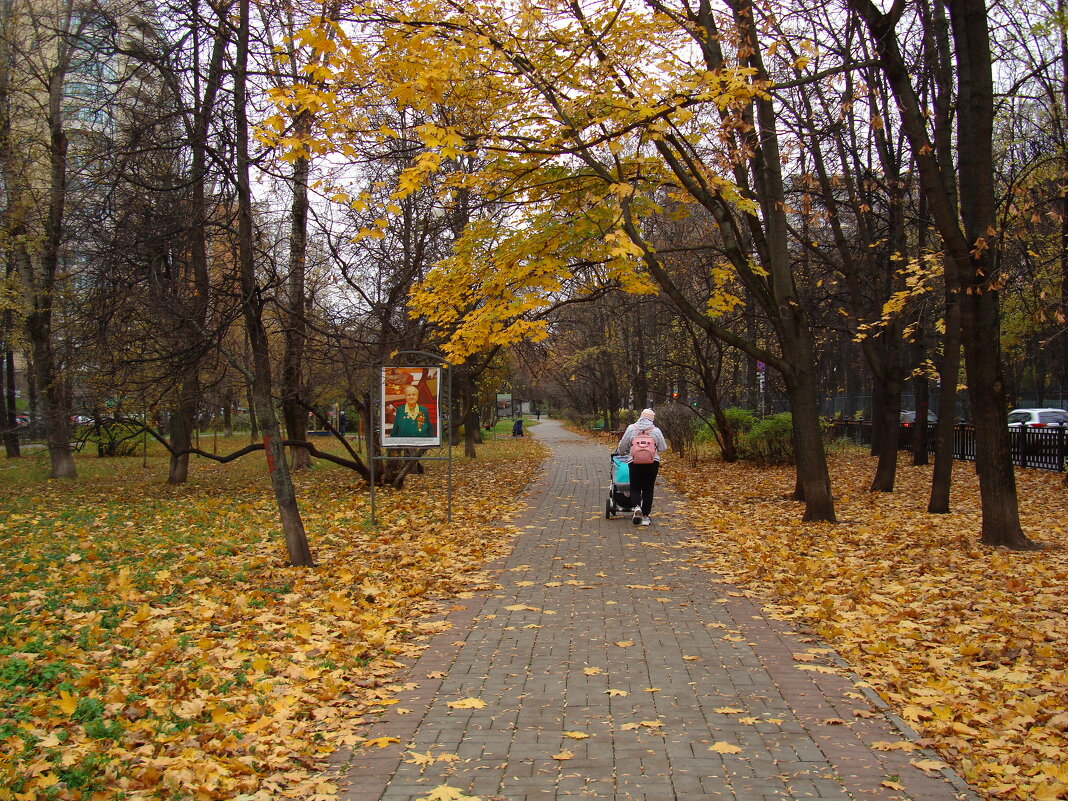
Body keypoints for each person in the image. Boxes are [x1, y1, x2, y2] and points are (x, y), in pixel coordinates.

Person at [614, 408, 667, 526]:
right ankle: (645, 515)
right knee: (648, 488)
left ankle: (637, 507)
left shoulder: (632, 428)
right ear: (652, 419)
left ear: (640, 417)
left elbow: (622, 445)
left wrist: (622, 452)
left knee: (635, 487)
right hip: (652, 463)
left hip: (635, 462)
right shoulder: (656, 430)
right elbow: (663, 448)